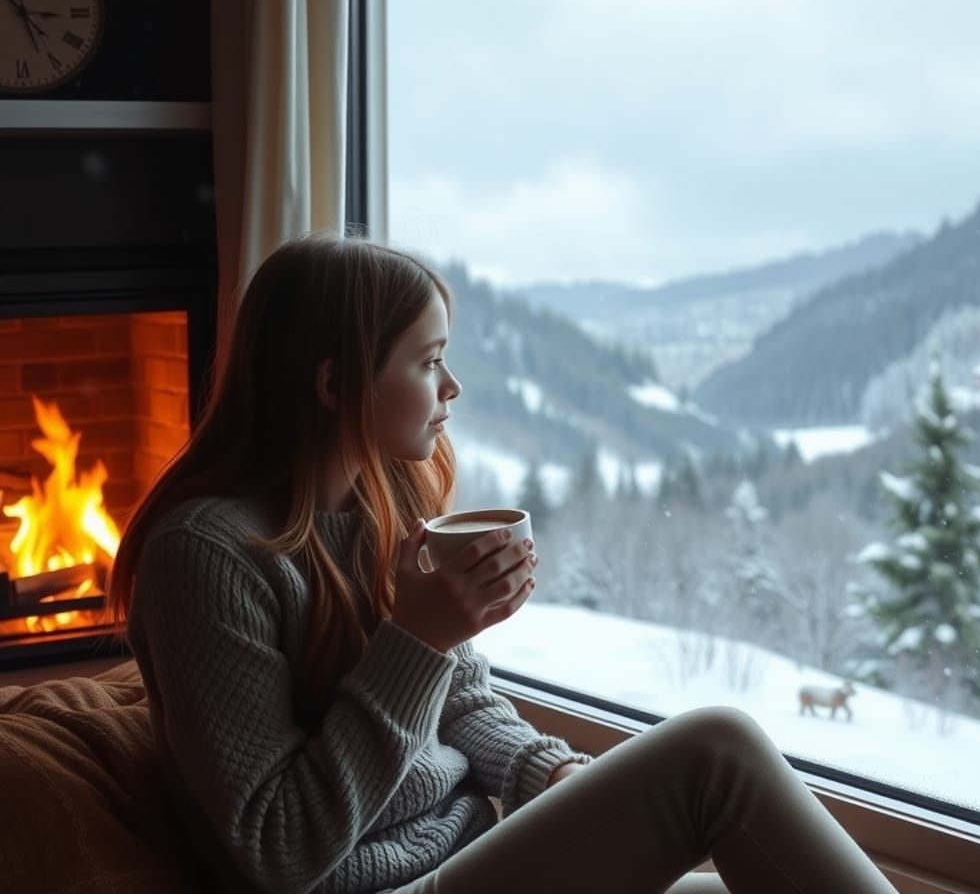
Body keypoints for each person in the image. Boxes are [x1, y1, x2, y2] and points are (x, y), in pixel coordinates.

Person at [108, 232, 897, 894]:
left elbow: (458, 705)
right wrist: (417, 641)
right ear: (335, 383)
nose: (452, 386)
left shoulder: (379, 512)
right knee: (715, 755)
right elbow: (278, 847)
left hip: (467, 852)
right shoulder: (207, 558)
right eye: (427, 362)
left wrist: (546, 773)